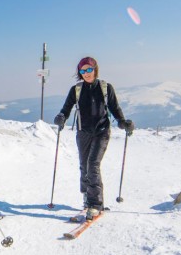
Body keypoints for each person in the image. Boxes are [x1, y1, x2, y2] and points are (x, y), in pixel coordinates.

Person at [53, 57, 134, 220]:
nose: (86, 73)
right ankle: (86, 194)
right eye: (83, 71)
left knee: (92, 164)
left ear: (95, 69)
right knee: (84, 166)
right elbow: (66, 109)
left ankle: (95, 204)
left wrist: (123, 122)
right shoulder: (76, 89)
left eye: (89, 69)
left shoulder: (105, 88)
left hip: (101, 132)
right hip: (83, 132)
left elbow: (115, 108)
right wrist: (61, 117)